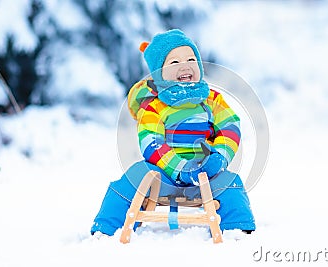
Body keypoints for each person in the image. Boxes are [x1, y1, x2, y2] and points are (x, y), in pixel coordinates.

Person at [91, 29, 256, 237]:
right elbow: (152, 142)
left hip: (206, 169)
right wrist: (182, 169)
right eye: (174, 62)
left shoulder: (211, 100)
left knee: (231, 182)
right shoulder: (155, 106)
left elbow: (229, 126)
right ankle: (106, 228)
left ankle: (237, 229)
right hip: (164, 175)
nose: (185, 65)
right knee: (133, 177)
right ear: (159, 72)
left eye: (190, 59)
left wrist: (219, 158)